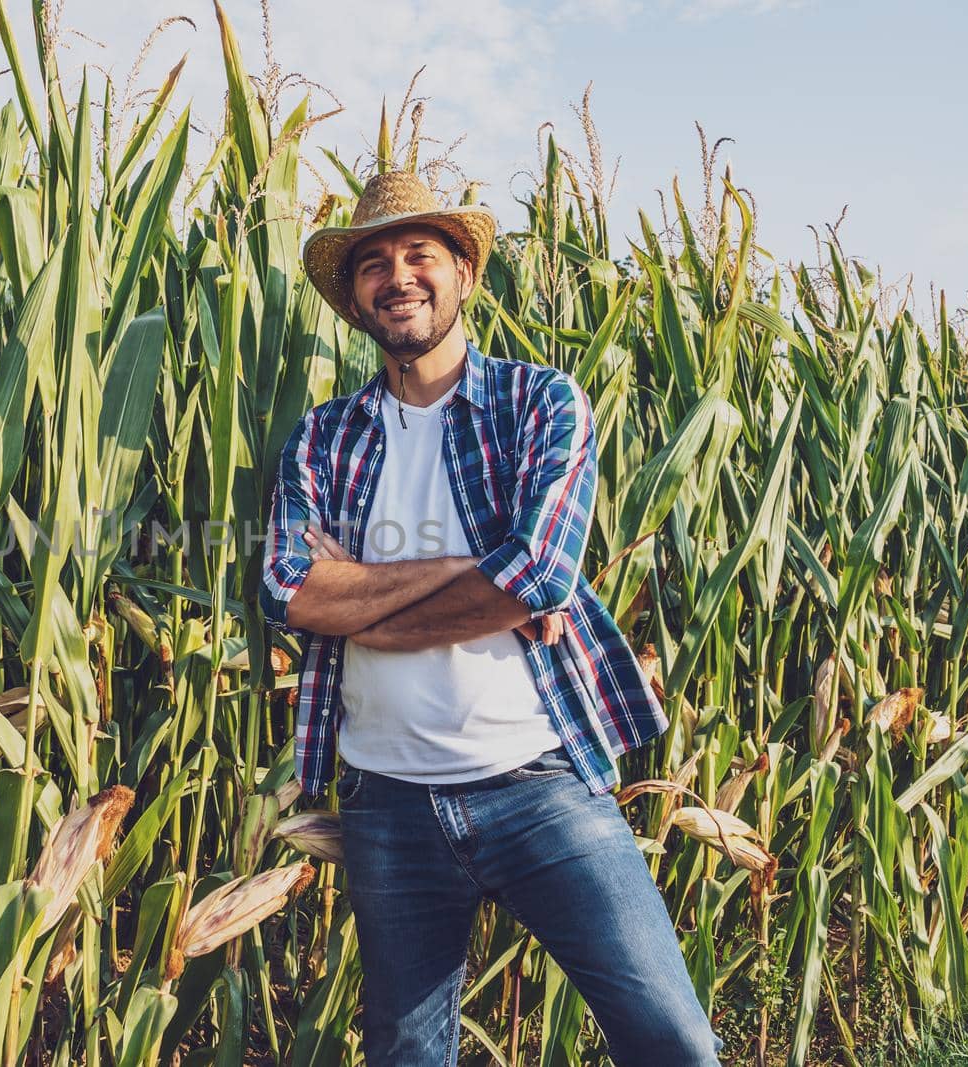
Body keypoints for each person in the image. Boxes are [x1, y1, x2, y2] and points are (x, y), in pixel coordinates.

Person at [259, 168, 723, 1066]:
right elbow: (291, 592)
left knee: (673, 1039)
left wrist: (361, 598)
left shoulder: (540, 404)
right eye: (374, 263)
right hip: (384, 801)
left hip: (539, 784)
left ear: (465, 274)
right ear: (355, 297)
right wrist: (481, 565)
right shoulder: (322, 438)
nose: (398, 276)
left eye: (420, 254)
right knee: (407, 1053)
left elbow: (541, 573)